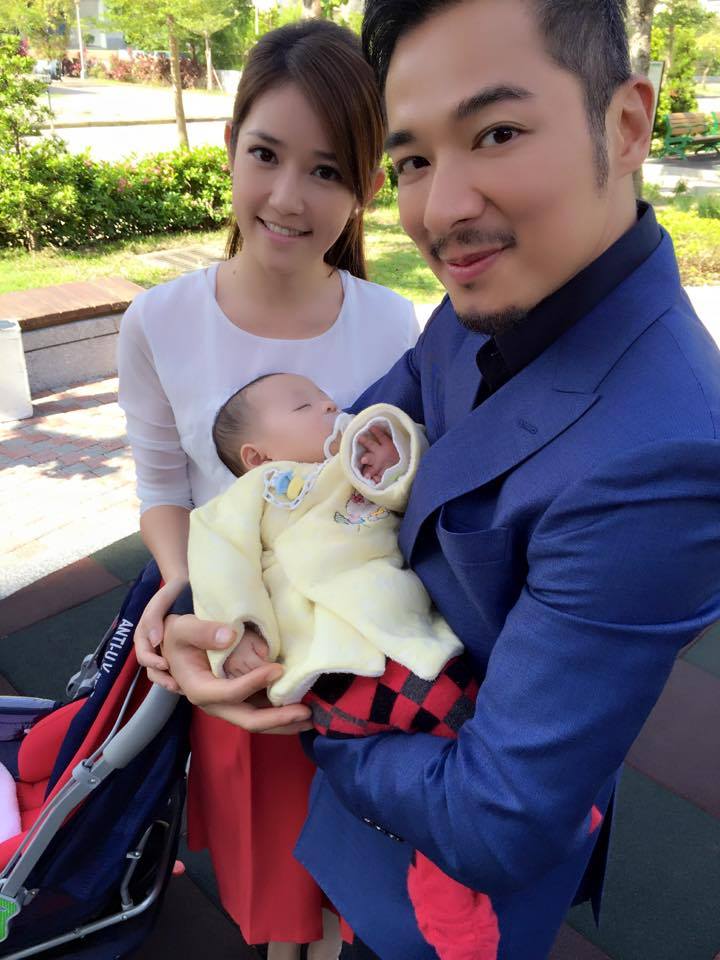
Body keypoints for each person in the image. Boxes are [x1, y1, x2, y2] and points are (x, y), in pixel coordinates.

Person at [160, 1, 720, 958]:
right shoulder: (487, 293)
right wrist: (200, 608)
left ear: (627, 125)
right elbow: (341, 452)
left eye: (496, 132)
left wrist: (312, 706)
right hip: (376, 797)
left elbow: (493, 817)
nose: (440, 212)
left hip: (454, 870)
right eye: (414, 159)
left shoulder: (664, 458)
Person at [117, 20, 418, 960]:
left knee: (353, 884)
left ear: (366, 187)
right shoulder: (158, 321)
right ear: (230, 146)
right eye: (266, 155)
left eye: (327, 170)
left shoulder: (394, 325)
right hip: (234, 644)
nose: (288, 197)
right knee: (268, 880)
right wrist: (181, 591)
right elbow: (164, 483)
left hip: (359, 654)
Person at [195, 373, 462, 703]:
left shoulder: (353, 463)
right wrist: (238, 629)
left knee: (437, 680)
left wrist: (393, 461)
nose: (330, 405)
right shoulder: (253, 489)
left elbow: (411, 497)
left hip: (390, 597)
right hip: (311, 622)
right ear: (259, 458)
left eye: (325, 397)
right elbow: (219, 560)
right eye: (303, 406)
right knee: (350, 689)